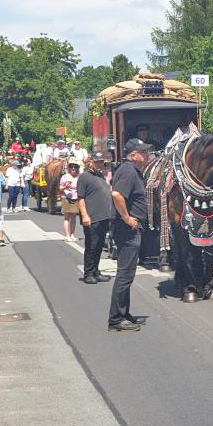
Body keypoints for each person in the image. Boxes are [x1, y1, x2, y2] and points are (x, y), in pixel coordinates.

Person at [107, 138, 151, 332]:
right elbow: (117, 195)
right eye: (144, 152)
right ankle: (116, 319)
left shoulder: (132, 171)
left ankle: (124, 313)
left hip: (131, 229)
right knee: (125, 274)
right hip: (127, 230)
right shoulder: (128, 171)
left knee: (128, 274)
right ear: (133, 156)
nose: (148, 154)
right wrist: (127, 218)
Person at [77, 155, 113, 285]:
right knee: (91, 246)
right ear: (91, 162)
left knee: (98, 246)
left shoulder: (100, 176)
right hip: (92, 217)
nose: (100, 164)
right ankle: (88, 273)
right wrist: (85, 215)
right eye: (98, 162)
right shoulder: (84, 177)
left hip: (103, 216)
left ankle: (95, 271)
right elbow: (81, 198)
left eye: (102, 162)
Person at [59, 162, 81, 242]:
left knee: (74, 217)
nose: (73, 168)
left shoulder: (79, 177)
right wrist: (65, 186)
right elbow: (60, 188)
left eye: (75, 167)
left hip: (75, 198)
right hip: (67, 198)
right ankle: (67, 235)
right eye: (71, 167)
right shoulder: (65, 177)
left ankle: (72, 235)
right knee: (67, 217)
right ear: (69, 168)